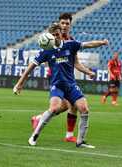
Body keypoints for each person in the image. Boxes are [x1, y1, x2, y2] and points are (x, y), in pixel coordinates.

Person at [13, 23, 108, 148]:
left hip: (71, 85)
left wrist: (102, 42)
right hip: (57, 85)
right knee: (54, 108)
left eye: (57, 35)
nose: (55, 37)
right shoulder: (46, 51)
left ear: (60, 34)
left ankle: (80, 142)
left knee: (84, 109)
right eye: (52, 35)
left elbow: (87, 44)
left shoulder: (70, 45)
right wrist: (19, 84)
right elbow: (30, 67)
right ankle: (34, 136)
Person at [31, 13, 95, 143]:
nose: (64, 26)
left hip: (68, 77)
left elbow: (76, 62)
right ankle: (64, 132)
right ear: (58, 25)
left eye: (67, 23)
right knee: (67, 105)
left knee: (71, 105)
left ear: (70, 25)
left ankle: (64, 132)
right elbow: (45, 55)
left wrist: (87, 71)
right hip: (56, 77)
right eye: (62, 23)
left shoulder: (71, 41)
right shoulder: (51, 39)